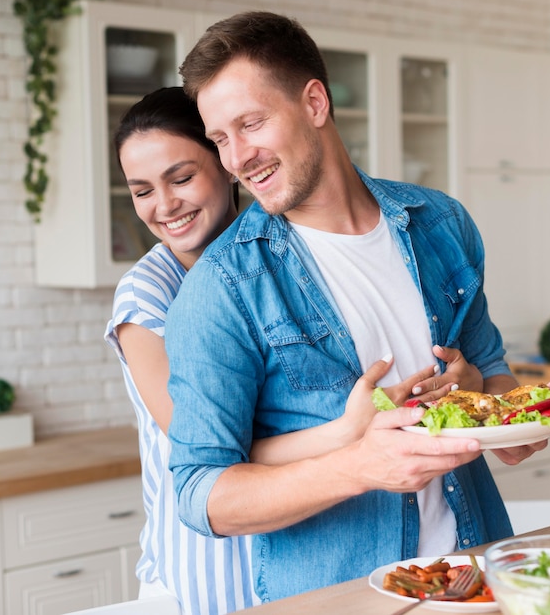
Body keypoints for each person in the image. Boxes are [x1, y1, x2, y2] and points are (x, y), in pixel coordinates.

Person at [165, 12, 550, 603]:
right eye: (220, 138)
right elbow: (203, 493)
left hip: (476, 578)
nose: (236, 159)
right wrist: (360, 466)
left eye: (250, 124)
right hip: (341, 597)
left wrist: (508, 414)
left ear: (314, 102)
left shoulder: (441, 223)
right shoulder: (224, 285)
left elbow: (491, 373)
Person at [104, 86, 439, 614]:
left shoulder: (282, 254)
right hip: (213, 569)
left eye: (182, 178)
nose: (164, 206)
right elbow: (212, 453)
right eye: (141, 190)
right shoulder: (147, 296)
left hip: (311, 542)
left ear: (226, 164)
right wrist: (350, 431)